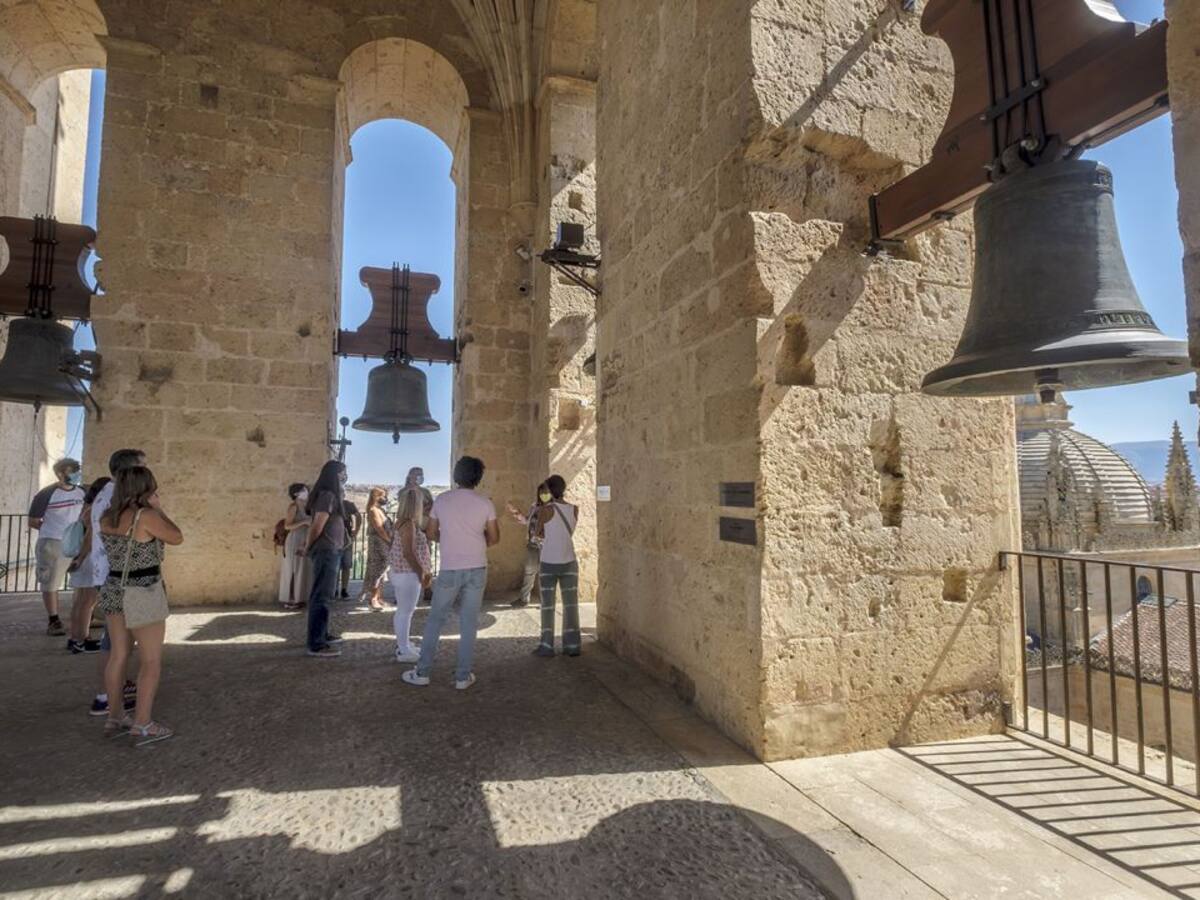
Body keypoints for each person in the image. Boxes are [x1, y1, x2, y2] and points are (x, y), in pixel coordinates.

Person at [99, 465, 183, 745]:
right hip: (142, 590)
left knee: (118, 656)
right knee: (150, 661)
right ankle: (143, 723)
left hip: (113, 588)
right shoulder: (146, 516)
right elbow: (176, 536)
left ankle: (115, 715)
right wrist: (158, 509)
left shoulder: (106, 517)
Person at [402, 456, 498, 690]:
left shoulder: (442, 501)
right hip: (477, 567)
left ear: (457, 475)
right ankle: (463, 677)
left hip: (450, 567)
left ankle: (423, 672)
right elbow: (494, 538)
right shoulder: (485, 503)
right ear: (478, 477)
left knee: (436, 620)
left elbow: (432, 533)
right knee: (469, 622)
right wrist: (475, 540)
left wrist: (451, 539)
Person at [74, 448, 145, 717]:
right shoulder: (119, 498)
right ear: (130, 471)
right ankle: (106, 696)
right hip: (119, 577)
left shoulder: (106, 494)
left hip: (107, 575)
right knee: (117, 642)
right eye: (142, 467)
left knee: (113, 639)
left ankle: (111, 689)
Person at [27, 457, 84, 636]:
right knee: (51, 582)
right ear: (60, 474)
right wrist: (55, 530)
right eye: (71, 470)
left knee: (84, 580)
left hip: (77, 542)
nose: (75, 473)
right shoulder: (46, 494)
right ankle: (54, 621)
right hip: (53, 542)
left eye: (77, 469)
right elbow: (34, 521)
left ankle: (85, 615)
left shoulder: (82, 492)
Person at [300, 460, 348, 658]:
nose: (345, 477)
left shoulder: (329, 496)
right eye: (343, 474)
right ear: (334, 475)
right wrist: (308, 546)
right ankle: (316, 643)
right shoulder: (327, 496)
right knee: (321, 596)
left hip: (331, 550)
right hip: (326, 550)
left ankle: (322, 634)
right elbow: (318, 525)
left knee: (325, 596)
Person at [532, 474, 581, 657]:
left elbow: (537, 534)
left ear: (550, 490)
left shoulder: (546, 510)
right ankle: (573, 645)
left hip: (549, 561)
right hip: (569, 561)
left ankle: (546, 645)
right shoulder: (575, 509)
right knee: (571, 605)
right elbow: (569, 532)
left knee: (547, 606)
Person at [65, 476, 111, 653]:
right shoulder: (96, 510)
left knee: (80, 601)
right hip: (89, 558)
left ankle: (75, 637)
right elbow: (90, 537)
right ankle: (82, 640)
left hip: (82, 558)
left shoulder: (85, 508)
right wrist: (82, 557)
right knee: (88, 602)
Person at [388, 485, 432, 662]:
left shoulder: (404, 522)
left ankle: (404, 643)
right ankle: (404, 649)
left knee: (404, 611)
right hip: (408, 574)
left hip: (402, 572)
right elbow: (409, 552)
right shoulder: (409, 525)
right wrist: (422, 574)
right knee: (406, 612)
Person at [505, 483, 549, 609]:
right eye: (542, 492)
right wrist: (517, 513)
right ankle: (524, 599)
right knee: (529, 571)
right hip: (532, 544)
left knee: (545, 574)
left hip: (546, 546)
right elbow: (527, 521)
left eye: (546, 492)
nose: (544, 495)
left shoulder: (553, 508)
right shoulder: (534, 506)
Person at [278, 483, 312, 610]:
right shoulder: (293, 507)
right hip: (295, 539)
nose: (306, 492)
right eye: (303, 490)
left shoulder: (307, 506)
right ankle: (291, 599)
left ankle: (300, 598)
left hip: (305, 540)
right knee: (294, 568)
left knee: (303, 569)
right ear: (296, 494)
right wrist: (304, 521)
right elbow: (287, 526)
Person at [361, 487, 392, 610]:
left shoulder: (380, 510)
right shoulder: (373, 510)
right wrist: (389, 541)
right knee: (376, 571)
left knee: (382, 571)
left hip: (383, 544)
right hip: (378, 544)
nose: (385, 498)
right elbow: (379, 529)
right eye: (383, 496)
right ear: (376, 496)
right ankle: (373, 599)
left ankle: (379, 597)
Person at [338, 496, 362, 600]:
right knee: (335, 567)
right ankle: (334, 589)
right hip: (334, 539)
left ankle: (343, 590)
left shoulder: (348, 504)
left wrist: (356, 531)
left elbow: (358, 516)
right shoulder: (330, 502)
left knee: (346, 565)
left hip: (346, 539)